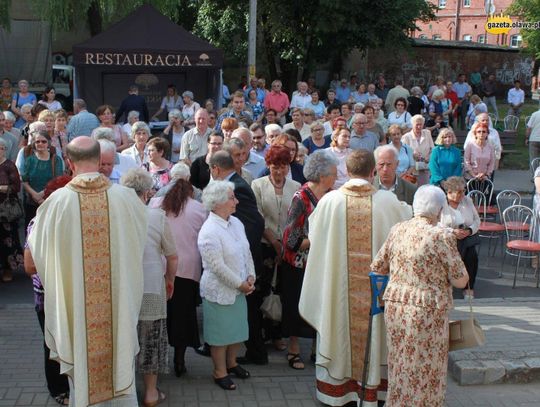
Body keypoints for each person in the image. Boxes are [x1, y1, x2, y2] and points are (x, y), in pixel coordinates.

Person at [25, 136, 148, 407]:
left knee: (82, 371)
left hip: (77, 314)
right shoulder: (128, 200)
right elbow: (139, 247)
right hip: (117, 308)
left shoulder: (54, 204)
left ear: (69, 163)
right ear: (101, 160)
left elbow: (33, 261)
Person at [300, 149, 412, 407]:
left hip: (337, 293)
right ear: (373, 172)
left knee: (336, 328)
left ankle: (338, 392)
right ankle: (372, 388)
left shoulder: (329, 202)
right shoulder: (389, 203)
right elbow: (409, 223)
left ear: (345, 171)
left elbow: (315, 241)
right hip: (376, 294)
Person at [371, 185, 468, 407]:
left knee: (400, 364)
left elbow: (378, 266)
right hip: (428, 311)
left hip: (396, 307)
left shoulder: (398, 229)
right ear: (439, 209)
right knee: (427, 368)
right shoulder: (441, 236)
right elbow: (461, 280)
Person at [120, 168, 177, 407]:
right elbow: (172, 256)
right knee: (151, 338)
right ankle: (151, 392)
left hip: (124, 288)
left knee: (124, 338)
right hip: (152, 284)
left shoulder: (115, 217)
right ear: (146, 193)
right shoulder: (156, 217)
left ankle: (125, 389)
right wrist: (170, 280)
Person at [281, 150, 337, 370]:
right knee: (296, 306)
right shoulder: (301, 198)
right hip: (298, 264)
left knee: (321, 305)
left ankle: (318, 349)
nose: (336, 176)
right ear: (322, 176)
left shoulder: (331, 195)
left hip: (321, 263)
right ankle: (293, 350)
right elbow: (290, 239)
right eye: (333, 173)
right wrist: (319, 238)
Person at [209, 151, 266, 365]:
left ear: (216, 168)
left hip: (242, 260)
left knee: (249, 311)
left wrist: (240, 257)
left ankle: (256, 352)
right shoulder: (233, 184)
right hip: (238, 259)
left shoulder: (237, 187)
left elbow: (254, 224)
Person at [198, 180, 256, 390]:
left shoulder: (236, 223)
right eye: (232, 198)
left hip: (240, 289)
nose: (237, 201)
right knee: (220, 336)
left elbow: (246, 251)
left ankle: (232, 364)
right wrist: (240, 284)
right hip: (220, 292)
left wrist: (251, 276)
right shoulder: (209, 231)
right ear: (218, 202)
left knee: (236, 331)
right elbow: (217, 267)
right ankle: (219, 372)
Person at [150, 175, 207, 376]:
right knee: (183, 317)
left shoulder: (156, 203)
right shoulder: (198, 209)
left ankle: (155, 361)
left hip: (160, 266)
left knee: (158, 317)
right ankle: (180, 361)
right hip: (187, 269)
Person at [24, 175, 72, 406]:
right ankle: (58, 388)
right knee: (51, 342)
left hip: (68, 295)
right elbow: (29, 265)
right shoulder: (38, 223)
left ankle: (71, 384)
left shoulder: (70, 222)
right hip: (48, 296)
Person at [251, 145, 301, 352]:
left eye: (282, 167)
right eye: (274, 167)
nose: (278, 172)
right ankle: (263, 332)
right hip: (266, 246)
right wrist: (274, 242)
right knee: (264, 289)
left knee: (284, 290)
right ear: (267, 165)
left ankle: (279, 334)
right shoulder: (258, 185)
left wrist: (286, 244)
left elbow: (298, 218)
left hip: (289, 247)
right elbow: (258, 216)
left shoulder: (296, 186)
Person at [440, 176, 481, 300]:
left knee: (472, 256)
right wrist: (452, 231)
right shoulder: (441, 204)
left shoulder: (467, 201)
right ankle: (444, 286)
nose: (462, 194)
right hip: (447, 239)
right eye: (459, 192)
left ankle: (469, 288)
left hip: (466, 237)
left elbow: (477, 220)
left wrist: (469, 231)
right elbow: (436, 224)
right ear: (449, 192)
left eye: (463, 191)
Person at [19, 131, 64, 226]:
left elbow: (58, 181)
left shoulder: (56, 160)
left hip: (51, 201)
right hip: (32, 202)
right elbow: (25, 180)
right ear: (33, 144)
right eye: (37, 141)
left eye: (43, 141)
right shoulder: (29, 160)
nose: (40, 144)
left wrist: (41, 195)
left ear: (48, 143)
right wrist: (35, 195)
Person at [0, 138, 23, 283]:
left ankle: (8, 269)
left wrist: (2, 188)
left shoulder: (9, 165)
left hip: (6, 210)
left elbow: (16, 187)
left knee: (8, 240)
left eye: (1, 148)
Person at [401, 115, 434, 186]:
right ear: (412, 125)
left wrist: (429, 157)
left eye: (421, 124)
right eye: (417, 124)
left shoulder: (427, 133)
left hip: (425, 168)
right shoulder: (406, 137)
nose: (419, 127)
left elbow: (432, 149)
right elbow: (402, 153)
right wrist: (412, 154)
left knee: (425, 191)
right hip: (412, 170)